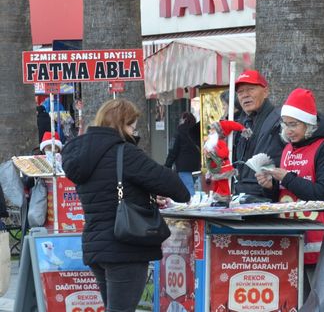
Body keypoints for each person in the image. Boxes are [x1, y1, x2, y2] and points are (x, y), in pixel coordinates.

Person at [61, 98, 190, 311]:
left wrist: (143, 194)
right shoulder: (124, 152)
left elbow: (106, 191)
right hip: (124, 246)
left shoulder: (81, 154)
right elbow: (177, 187)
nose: (134, 132)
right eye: (132, 126)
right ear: (121, 124)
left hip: (96, 244)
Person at [256, 88, 324, 300]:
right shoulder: (287, 149)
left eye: (294, 124)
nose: (288, 130)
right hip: (293, 243)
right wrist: (271, 187)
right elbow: (287, 195)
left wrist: (287, 177)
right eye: (285, 124)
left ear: (309, 124)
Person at [233, 70, 286, 200]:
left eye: (250, 89)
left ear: (266, 92)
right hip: (241, 195)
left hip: (269, 194)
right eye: (240, 92)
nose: (245, 95)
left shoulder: (280, 119)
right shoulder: (240, 124)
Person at [202, 120, 251, 198]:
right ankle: (218, 197)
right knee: (217, 184)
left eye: (213, 129)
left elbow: (225, 153)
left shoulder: (220, 143)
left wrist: (214, 152)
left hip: (223, 167)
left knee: (222, 184)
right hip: (216, 169)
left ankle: (224, 197)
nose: (210, 131)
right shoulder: (213, 143)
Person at [165, 112, 201, 196]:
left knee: (188, 189)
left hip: (183, 166)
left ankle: (190, 206)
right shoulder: (198, 131)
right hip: (197, 165)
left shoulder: (178, 132)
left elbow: (173, 150)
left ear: (184, 120)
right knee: (197, 189)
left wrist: (167, 165)